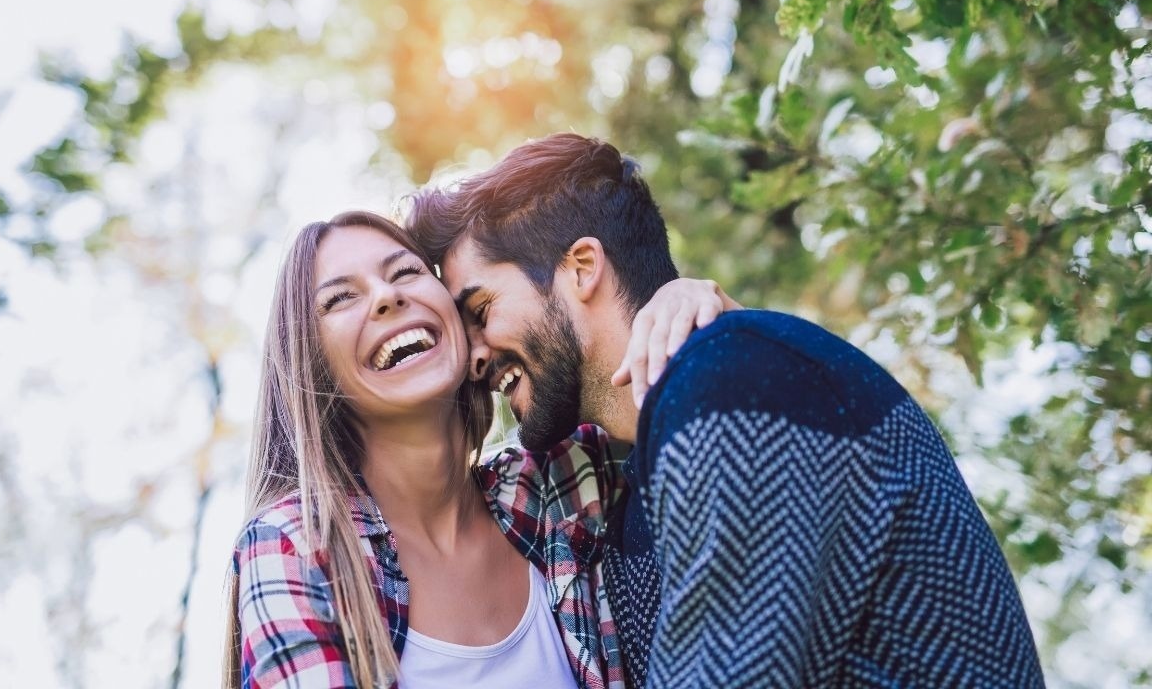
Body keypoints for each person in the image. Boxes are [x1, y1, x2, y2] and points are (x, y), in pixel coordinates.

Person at [406, 133, 1046, 688]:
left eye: (482, 310)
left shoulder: (733, 379)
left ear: (581, 268)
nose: (475, 358)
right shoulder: (624, 486)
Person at [223, 210, 728, 689]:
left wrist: (684, 308)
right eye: (339, 299)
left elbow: (711, 429)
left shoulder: (557, 483)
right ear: (312, 365)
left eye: (405, 272)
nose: (385, 297)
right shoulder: (294, 547)